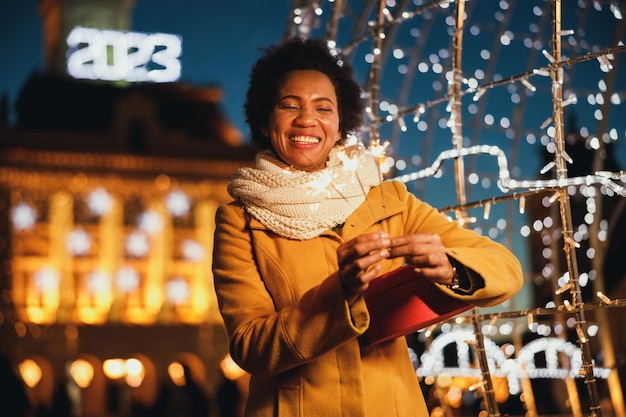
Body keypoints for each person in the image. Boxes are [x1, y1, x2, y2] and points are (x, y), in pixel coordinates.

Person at [212, 37, 524, 417]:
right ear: (264, 120)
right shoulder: (239, 220)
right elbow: (251, 348)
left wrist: (450, 267)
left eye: (323, 108)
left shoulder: (388, 199)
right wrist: (340, 291)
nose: (307, 119)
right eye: (289, 106)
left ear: (340, 123)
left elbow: (505, 269)